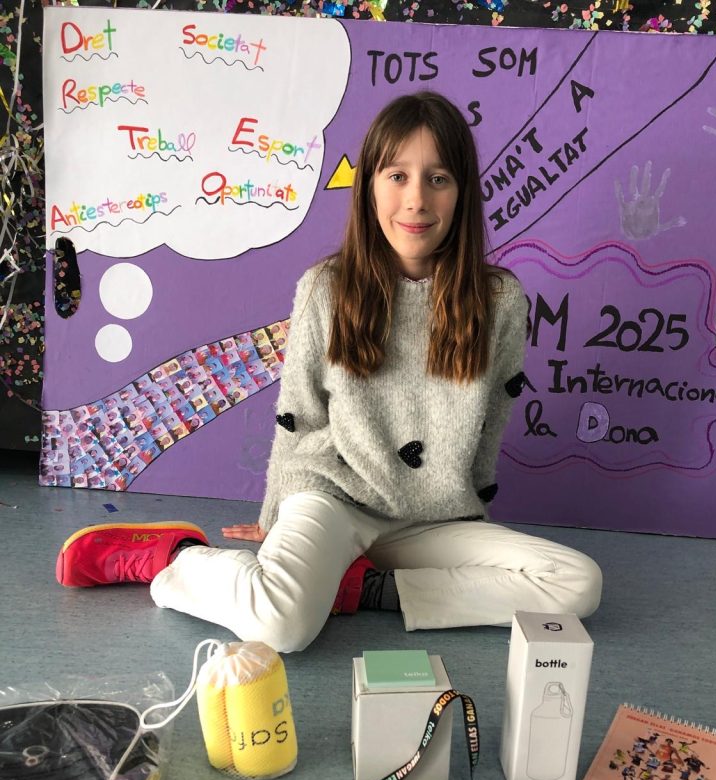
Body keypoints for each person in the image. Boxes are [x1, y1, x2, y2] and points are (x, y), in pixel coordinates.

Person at [55, 91, 602, 652]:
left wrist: (472, 519)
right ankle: (175, 558)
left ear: (461, 193)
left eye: (438, 179)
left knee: (577, 583)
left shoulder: (499, 300)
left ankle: (365, 589)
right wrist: (276, 516)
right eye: (397, 176)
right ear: (370, 188)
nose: (416, 199)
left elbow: (491, 420)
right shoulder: (328, 288)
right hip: (334, 498)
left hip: (432, 516)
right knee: (282, 626)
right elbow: (299, 414)